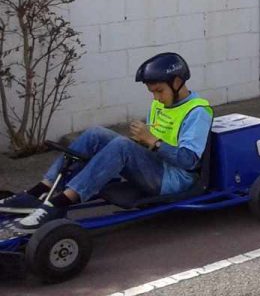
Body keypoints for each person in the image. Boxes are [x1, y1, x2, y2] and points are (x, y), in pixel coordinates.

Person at [0, 52, 212, 230]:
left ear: (177, 82)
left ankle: (59, 202)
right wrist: (142, 142)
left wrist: (153, 141)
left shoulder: (197, 111)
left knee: (121, 147)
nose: (156, 98)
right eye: (152, 92)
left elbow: (189, 161)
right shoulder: (160, 104)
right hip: (155, 166)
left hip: (174, 179)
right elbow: (149, 145)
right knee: (96, 134)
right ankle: (39, 191)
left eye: (159, 91)